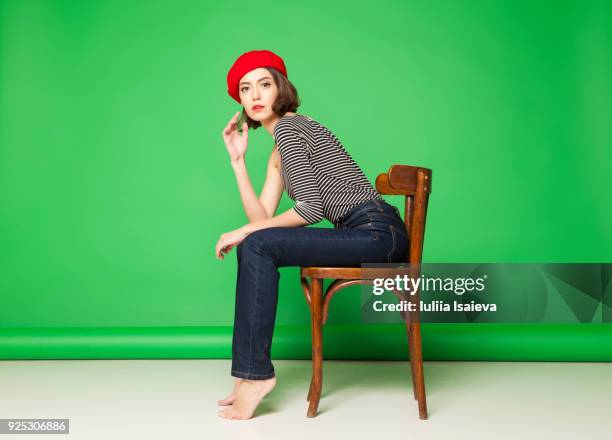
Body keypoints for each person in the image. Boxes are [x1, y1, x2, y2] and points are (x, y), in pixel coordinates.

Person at [215, 49, 409, 419]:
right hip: (368, 232)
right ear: (239, 99)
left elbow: (311, 209)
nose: (255, 96)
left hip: (377, 232)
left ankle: (254, 376)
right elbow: (263, 217)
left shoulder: (291, 127)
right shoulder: (278, 147)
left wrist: (242, 232)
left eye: (264, 84)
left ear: (281, 88)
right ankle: (247, 375)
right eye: (245, 89)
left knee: (255, 243)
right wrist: (238, 163)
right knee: (257, 244)